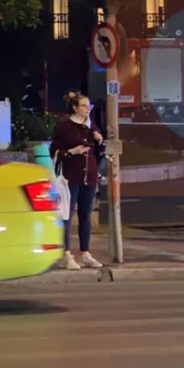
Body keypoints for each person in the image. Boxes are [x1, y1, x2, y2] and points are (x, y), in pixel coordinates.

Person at [50, 92, 105, 271]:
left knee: (86, 215)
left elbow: (99, 153)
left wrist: (100, 141)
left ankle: (85, 253)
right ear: (75, 108)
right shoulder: (64, 127)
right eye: (84, 106)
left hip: (89, 176)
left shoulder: (91, 126)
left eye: (89, 106)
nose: (88, 109)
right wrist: (72, 152)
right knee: (67, 214)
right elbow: (54, 151)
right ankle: (65, 253)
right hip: (70, 176)